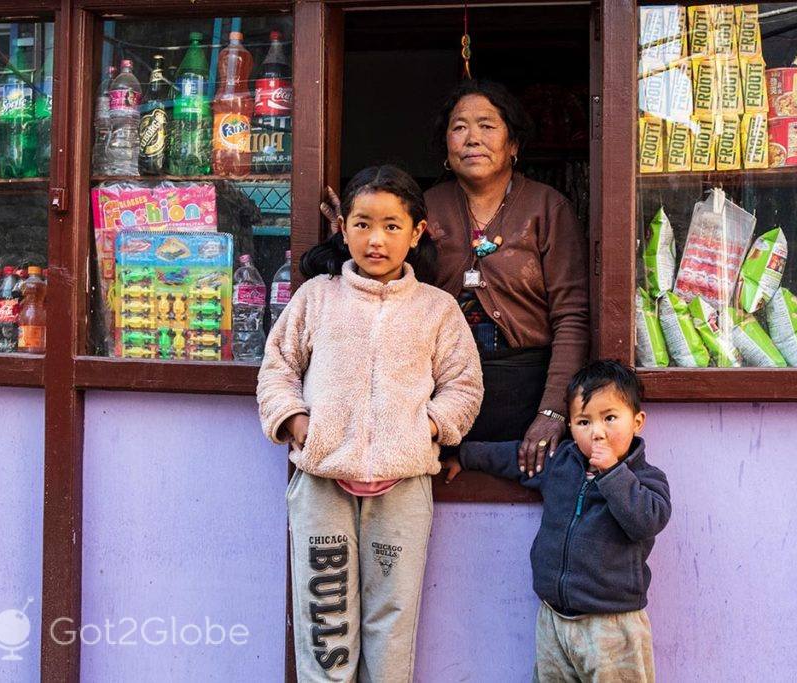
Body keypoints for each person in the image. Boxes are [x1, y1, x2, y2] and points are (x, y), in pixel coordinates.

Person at [258, 165, 483, 681]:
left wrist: (423, 430)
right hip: (322, 482)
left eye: (391, 225)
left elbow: (464, 388)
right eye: (362, 224)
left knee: (392, 620)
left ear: (416, 232)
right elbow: (278, 369)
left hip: (402, 487)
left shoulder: (437, 310)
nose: (375, 239)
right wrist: (297, 424)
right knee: (324, 622)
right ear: (344, 228)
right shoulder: (317, 298)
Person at [323, 79, 589, 477]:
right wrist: (345, 242)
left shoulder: (548, 209)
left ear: (514, 144)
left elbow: (572, 318)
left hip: (524, 396)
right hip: (434, 399)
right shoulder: (422, 208)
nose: (472, 138)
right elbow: (383, 287)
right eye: (459, 126)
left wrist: (553, 411)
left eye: (487, 125)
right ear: (446, 145)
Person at [444, 360, 671, 682]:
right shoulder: (561, 463)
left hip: (613, 624)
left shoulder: (645, 479)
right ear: (571, 427)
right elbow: (515, 458)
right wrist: (464, 456)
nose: (597, 432)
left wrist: (613, 473)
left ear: (637, 422)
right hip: (554, 617)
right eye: (583, 422)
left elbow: (647, 521)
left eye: (610, 418)